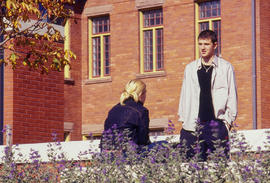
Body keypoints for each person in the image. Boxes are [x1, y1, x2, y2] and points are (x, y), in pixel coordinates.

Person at [178, 30, 238, 161]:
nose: (202, 48)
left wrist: (227, 123)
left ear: (215, 45)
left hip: (216, 125)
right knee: (190, 170)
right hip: (192, 127)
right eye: (200, 44)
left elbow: (232, 96)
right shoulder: (190, 68)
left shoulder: (226, 67)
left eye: (206, 44)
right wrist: (183, 120)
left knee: (221, 168)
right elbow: (184, 95)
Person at [100, 79, 151, 153]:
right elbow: (143, 140)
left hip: (107, 154)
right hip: (128, 154)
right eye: (145, 93)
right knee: (164, 145)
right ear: (141, 94)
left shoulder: (113, 109)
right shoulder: (141, 111)